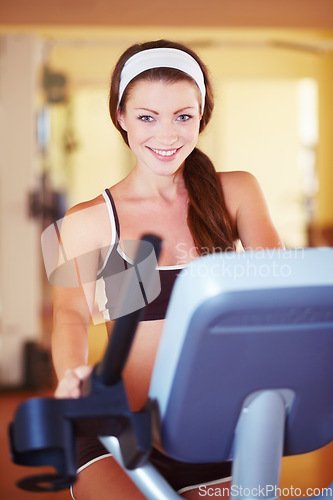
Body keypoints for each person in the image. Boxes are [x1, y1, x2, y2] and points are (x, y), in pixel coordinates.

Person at [51, 39, 284, 500]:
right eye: (146, 117)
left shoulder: (236, 192)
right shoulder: (87, 220)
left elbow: (279, 289)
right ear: (120, 117)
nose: (167, 134)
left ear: (202, 116)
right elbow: (70, 315)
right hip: (118, 429)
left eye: (183, 116)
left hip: (216, 428)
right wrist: (73, 374)